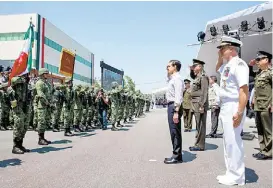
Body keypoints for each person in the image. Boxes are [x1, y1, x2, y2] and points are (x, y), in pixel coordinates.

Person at [216, 36, 249, 186]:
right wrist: (220, 58)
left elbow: (244, 90)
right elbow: (218, 69)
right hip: (226, 105)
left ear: (232, 48)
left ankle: (237, 176)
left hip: (234, 105)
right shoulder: (228, 65)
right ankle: (231, 172)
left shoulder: (239, 64)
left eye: (223, 48)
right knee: (228, 142)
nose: (220, 50)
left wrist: (240, 112)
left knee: (234, 142)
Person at [250, 51, 272, 160]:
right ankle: (263, 150)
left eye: (259, 59)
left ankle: (269, 152)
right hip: (258, 105)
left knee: (268, 130)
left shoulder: (270, 72)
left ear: (266, 60)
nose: (257, 62)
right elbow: (250, 77)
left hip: (266, 105)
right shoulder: (259, 73)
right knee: (260, 129)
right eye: (257, 60)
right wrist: (251, 66)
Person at [164, 60, 183, 164]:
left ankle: (176, 156)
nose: (167, 68)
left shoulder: (178, 79)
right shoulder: (172, 78)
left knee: (175, 131)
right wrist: (168, 71)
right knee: (173, 131)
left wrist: (176, 111)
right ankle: (177, 155)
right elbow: (167, 77)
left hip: (174, 106)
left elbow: (178, 95)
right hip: (171, 106)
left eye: (169, 66)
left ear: (175, 67)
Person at [189, 59, 209, 151]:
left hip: (199, 103)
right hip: (195, 103)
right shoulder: (197, 77)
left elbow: (204, 92)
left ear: (200, 67)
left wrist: (201, 105)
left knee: (201, 125)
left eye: (194, 66)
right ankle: (197, 143)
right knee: (198, 124)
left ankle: (200, 145)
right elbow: (192, 76)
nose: (193, 68)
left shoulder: (203, 77)